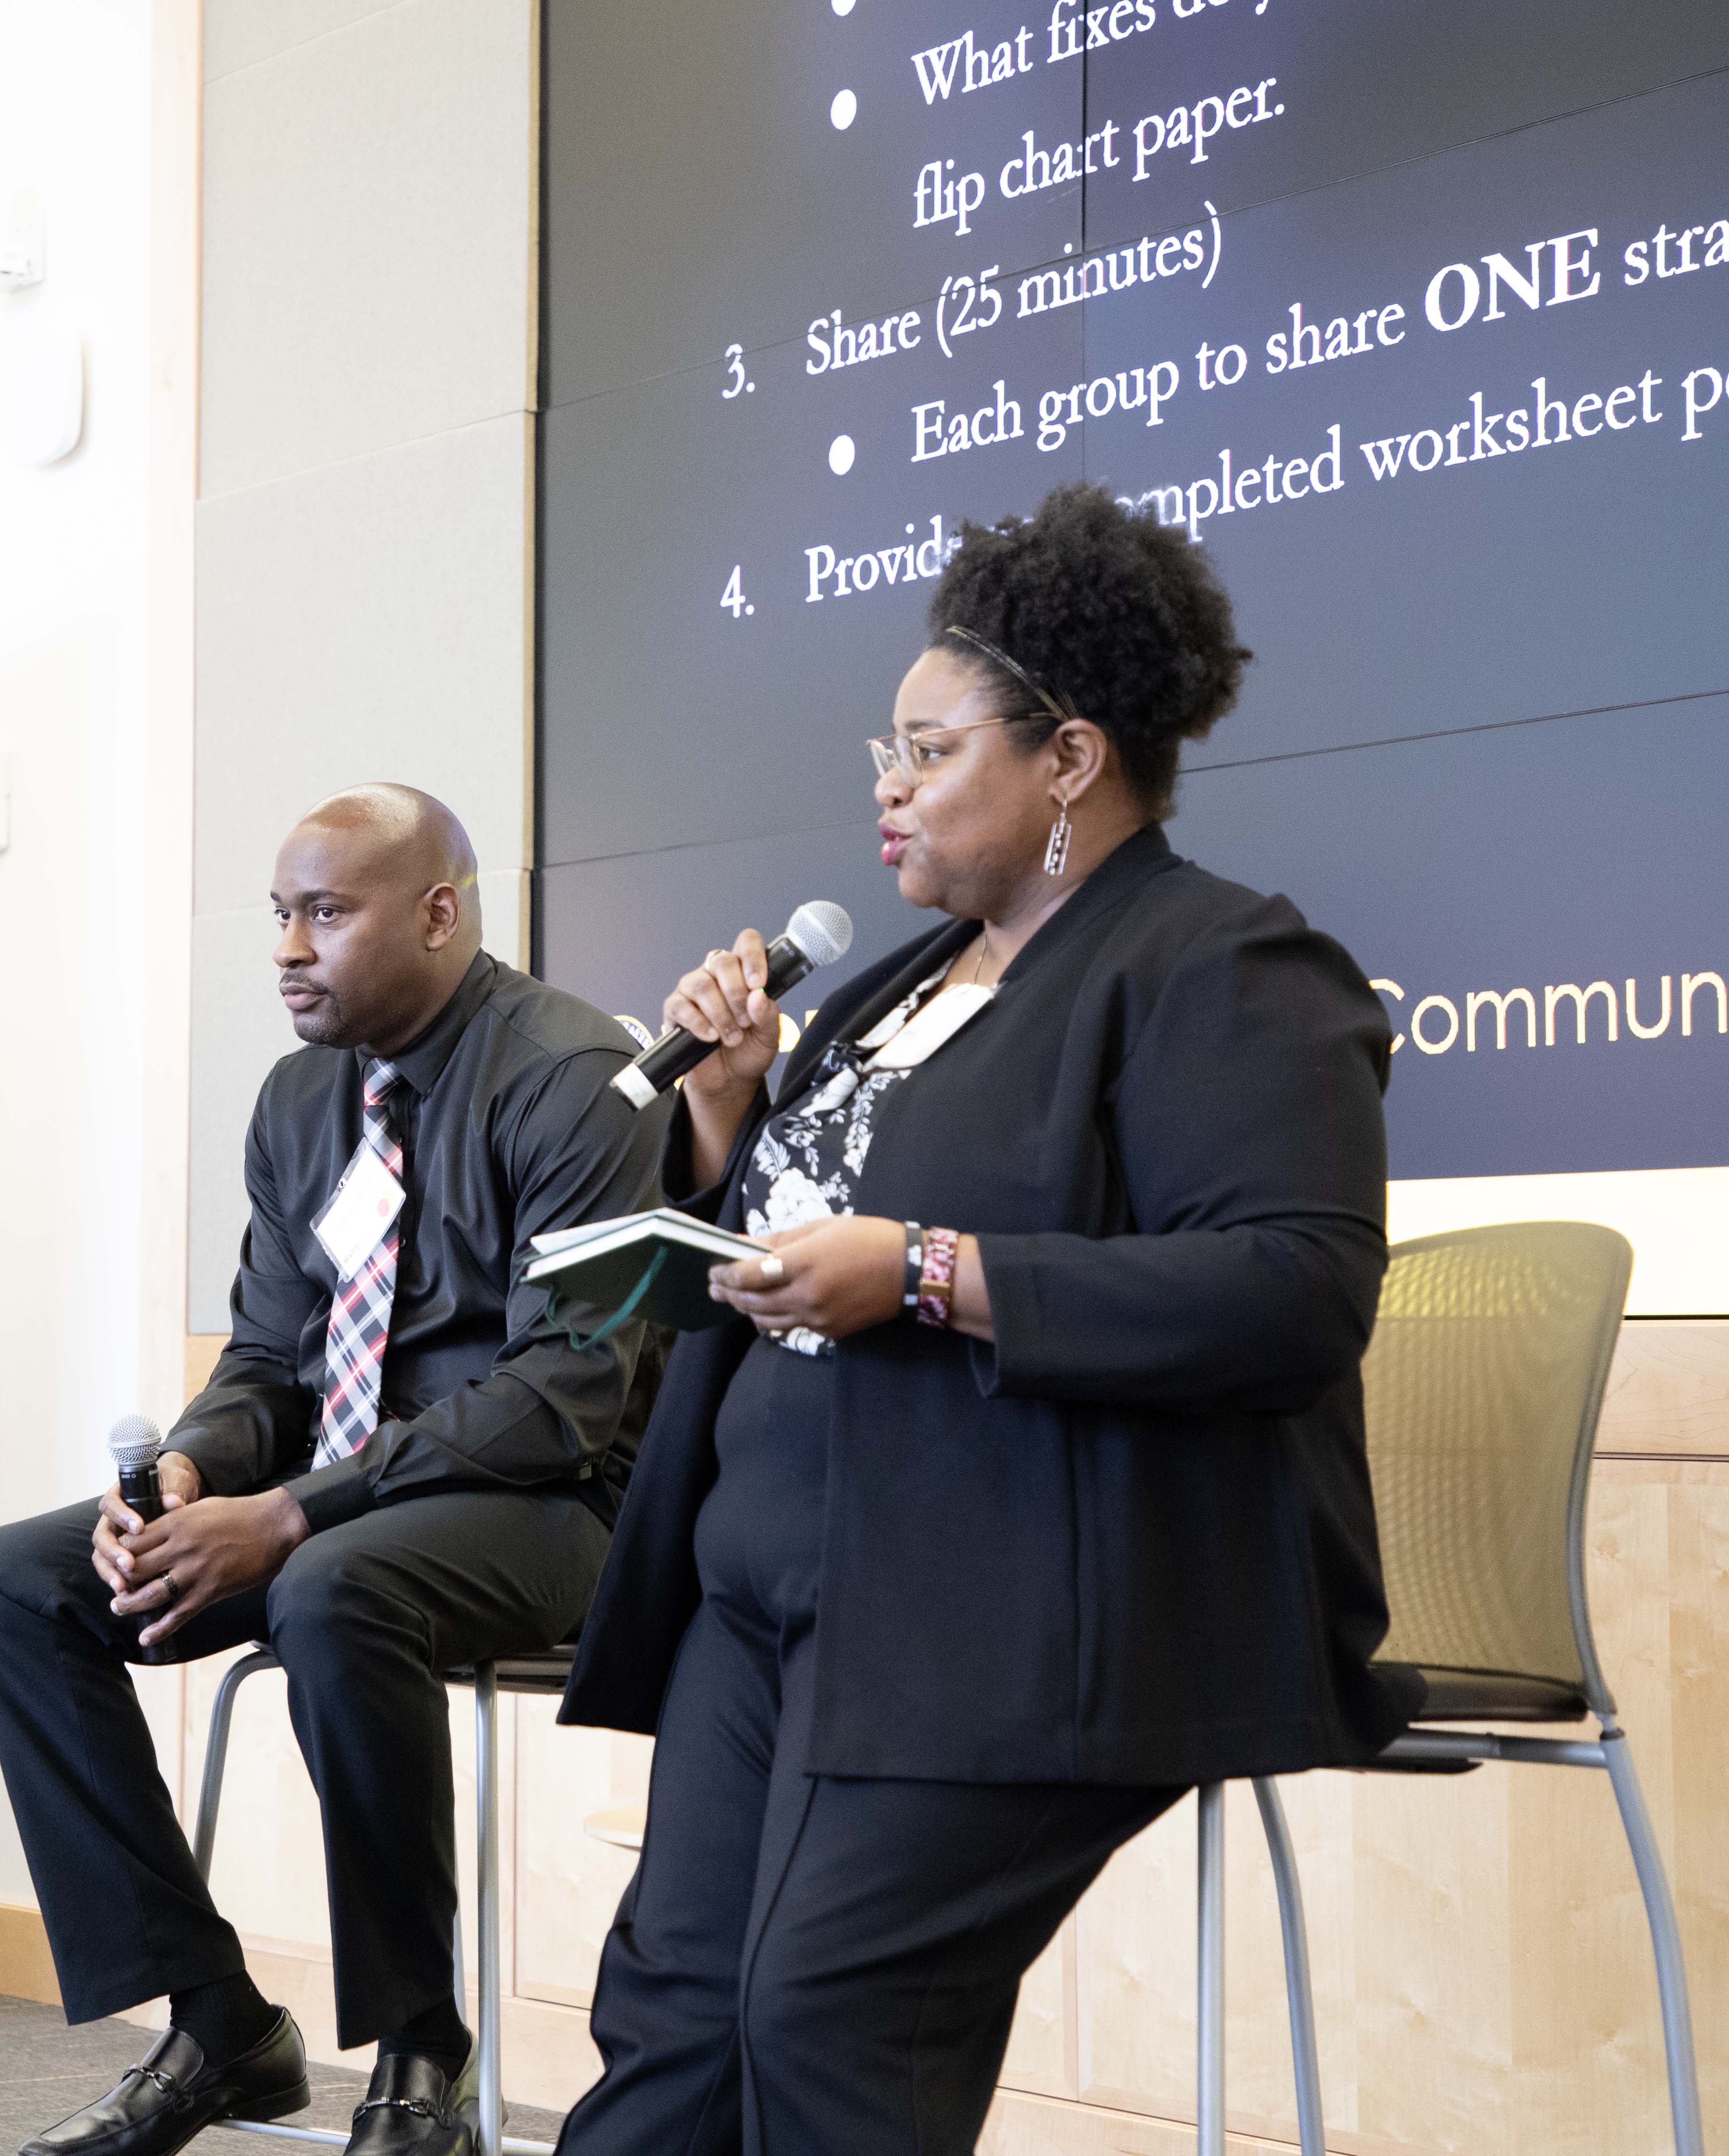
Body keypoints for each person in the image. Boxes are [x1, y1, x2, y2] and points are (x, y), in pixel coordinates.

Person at [552, 485, 1410, 2153]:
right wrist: (730, 1121)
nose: (887, 786)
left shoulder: (1222, 963)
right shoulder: (888, 986)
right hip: (770, 1590)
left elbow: (1295, 1289)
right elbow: (798, 1248)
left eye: (930, 750)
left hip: (1009, 1593)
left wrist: (933, 1273)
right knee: (673, 2017)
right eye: (887, 749)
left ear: (1071, 761)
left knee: (824, 2021)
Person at [0, 785, 669, 2156]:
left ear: (441, 914)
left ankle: (424, 2052)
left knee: (336, 1587)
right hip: (334, 1515)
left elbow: (567, 1397)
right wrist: (185, 1472)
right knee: (14, 1584)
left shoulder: (572, 1079)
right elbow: (268, 1364)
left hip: (557, 1509)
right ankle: (219, 2019)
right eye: (281, 914)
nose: (288, 946)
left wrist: (288, 1512)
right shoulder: (300, 1103)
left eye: (326, 914)